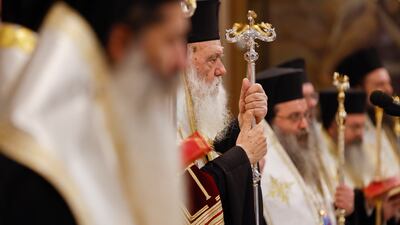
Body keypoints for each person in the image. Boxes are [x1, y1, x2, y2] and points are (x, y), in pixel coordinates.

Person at [0, 0, 188, 224]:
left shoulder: (117, 129)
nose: (181, 62)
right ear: (121, 42)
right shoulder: (40, 172)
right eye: (171, 41)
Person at [177, 0, 268, 224]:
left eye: (220, 58)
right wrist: (243, 157)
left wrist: (242, 122)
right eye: (212, 59)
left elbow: (209, 152)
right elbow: (189, 203)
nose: (222, 70)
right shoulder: (163, 120)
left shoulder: (190, 111)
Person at [258, 66, 339, 224]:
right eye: (295, 117)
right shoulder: (262, 166)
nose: (304, 125)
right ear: (271, 123)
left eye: (306, 116)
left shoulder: (306, 156)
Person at [319, 89, 400, 225]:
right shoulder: (321, 158)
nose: (360, 134)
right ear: (332, 126)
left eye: (363, 127)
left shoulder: (365, 151)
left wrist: (380, 211)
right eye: (355, 127)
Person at [336, 47, 400, 173]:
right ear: (359, 88)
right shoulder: (349, 130)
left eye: (388, 83)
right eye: (380, 84)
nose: (389, 90)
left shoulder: (387, 123)